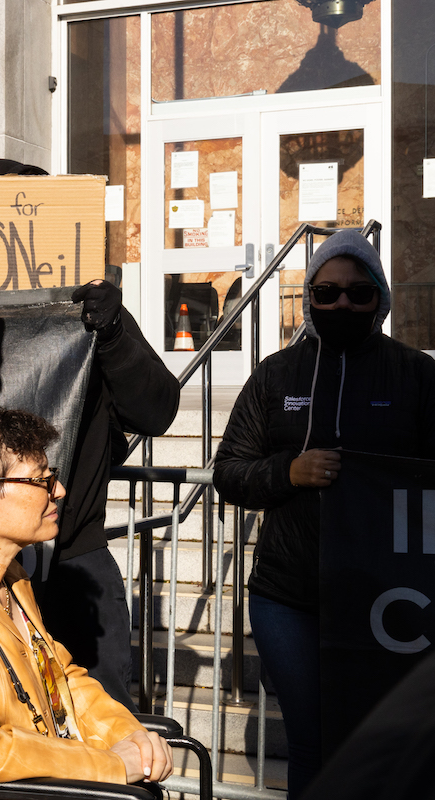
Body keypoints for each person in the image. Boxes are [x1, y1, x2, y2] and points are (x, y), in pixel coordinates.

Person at [213, 229, 435, 798]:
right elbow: (230, 471)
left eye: (359, 293)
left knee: (382, 744)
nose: (342, 304)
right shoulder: (275, 375)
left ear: (380, 299)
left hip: (390, 600)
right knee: (314, 743)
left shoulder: (417, 375)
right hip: (289, 597)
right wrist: (289, 471)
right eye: (327, 292)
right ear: (308, 297)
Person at [0, 158, 180, 712]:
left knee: (100, 737)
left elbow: (156, 409)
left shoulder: (90, 316)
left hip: (73, 564)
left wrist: (111, 332)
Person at [0, 403, 174, 786]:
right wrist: (108, 765)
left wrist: (129, 736)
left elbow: (61, 677)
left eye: (52, 476)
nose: (58, 490)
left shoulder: (9, 574)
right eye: (40, 480)